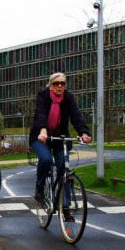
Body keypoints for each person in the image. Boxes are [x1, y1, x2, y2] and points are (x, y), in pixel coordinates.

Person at [29, 73, 91, 219]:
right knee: (46, 160)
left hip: (59, 138)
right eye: (56, 83)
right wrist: (43, 129)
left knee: (65, 171)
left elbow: (76, 116)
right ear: (51, 85)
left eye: (63, 83)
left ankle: (65, 207)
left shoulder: (68, 98)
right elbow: (40, 114)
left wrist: (83, 132)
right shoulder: (43, 96)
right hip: (41, 137)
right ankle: (40, 188)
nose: (60, 86)